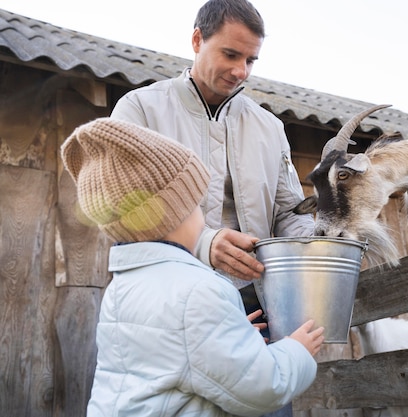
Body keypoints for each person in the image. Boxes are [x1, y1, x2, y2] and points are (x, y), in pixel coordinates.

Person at [60, 117, 324, 416]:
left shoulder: (122, 288)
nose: (202, 217)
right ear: (172, 216)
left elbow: (175, 347)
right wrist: (296, 350)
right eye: (195, 206)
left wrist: (228, 332)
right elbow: (263, 387)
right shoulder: (199, 291)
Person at [110, 0, 314, 309]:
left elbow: (289, 213)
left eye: (250, 60)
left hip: (251, 301)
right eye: (230, 54)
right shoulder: (139, 109)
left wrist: (321, 243)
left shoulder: (270, 128)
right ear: (196, 40)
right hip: (163, 297)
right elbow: (121, 207)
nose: (240, 71)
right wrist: (202, 242)